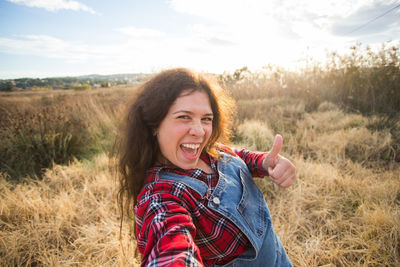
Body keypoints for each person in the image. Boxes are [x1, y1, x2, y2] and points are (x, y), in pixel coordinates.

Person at [117, 68, 296, 266]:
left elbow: (238, 157)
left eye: (206, 119)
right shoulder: (160, 196)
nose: (199, 131)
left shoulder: (210, 151)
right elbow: (171, 248)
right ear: (154, 125)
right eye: (184, 117)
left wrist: (265, 162)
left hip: (278, 257)